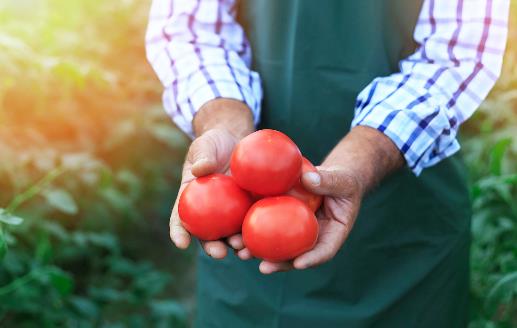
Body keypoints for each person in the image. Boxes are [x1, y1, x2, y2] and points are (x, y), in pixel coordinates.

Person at [146, 0, 509, 326]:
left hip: (406, 228)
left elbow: (458, 53)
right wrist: (224, 123)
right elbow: (189, 27)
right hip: (242, 220)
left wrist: (358, 160)